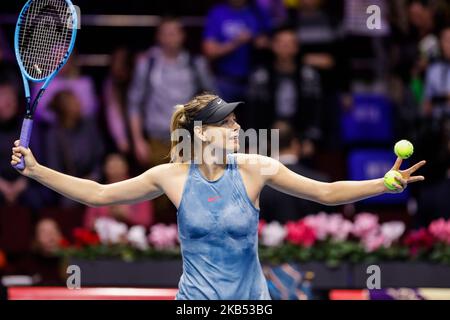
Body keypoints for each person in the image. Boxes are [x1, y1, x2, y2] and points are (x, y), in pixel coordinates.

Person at [10, 93, 427, 300]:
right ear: (200, 133)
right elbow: (98, 194)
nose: (234, 128)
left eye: (234, 121)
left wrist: (381, 184)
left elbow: (326, 191)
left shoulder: (255, 167)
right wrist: (36, 169)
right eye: (224, 123)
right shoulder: (171, 175)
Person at [259, 121, 333, 223]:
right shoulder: (321, 181)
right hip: (312, 239)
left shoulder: (257, 186)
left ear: (269, 146)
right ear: (295, 144)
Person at [83, 154, 154, 229]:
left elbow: (147, 219)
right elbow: (88, 222)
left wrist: (128, 216)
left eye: (118, 166)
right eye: (112, 167)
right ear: (105, 169)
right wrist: (103, 221)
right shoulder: (99, 190)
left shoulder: (139, 188)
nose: (115, 170)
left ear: (126, 167)